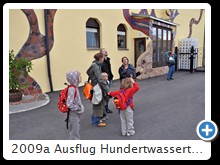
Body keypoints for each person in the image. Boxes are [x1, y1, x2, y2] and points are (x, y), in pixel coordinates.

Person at [86, 52, 110, 127]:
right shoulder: (96, 66)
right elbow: (100, 79)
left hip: (95, 85)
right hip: (97, 86)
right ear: (100, 58)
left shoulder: (94, 64)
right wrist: (107, 89)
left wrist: (92, 78)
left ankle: (97, 119)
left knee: (98, 102)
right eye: (103, 57)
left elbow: (87, 72)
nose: (104, 58)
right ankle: (96, 121)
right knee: (98, 103)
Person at [66, 70, 84, 140]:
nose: (80, 78)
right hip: (74, 114)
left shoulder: (75, 87)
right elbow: (69, 104)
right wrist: (78, 108)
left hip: (76, 113)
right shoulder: (72, 89)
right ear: (74, 78)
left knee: (76, 131)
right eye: (79, 76)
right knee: (74, 134)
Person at [100, 48, 114, 113]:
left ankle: (106, 108)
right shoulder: (100, 61)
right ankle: (103, 109)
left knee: (107, 94)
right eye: (104, 51)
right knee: (104, 94)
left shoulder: (107, 59)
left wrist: (111, 76)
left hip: (109, 78)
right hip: (104, 80)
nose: (106, 52)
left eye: (106, 51)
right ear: (101, 53)